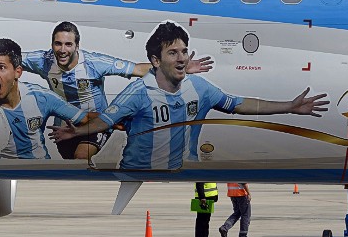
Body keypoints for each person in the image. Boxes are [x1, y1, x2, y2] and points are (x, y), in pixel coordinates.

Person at [49, 21, 329, 170]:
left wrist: (290, 107)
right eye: (173, 53)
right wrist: (76, 133)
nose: (182, 58)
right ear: (155, 61)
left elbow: (240, 104)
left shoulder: (200, 87)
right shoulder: (138, 92)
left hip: (181, 169)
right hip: (138, 168)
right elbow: (105, 121)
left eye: (184, 51)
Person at [0, 21, 214, 160]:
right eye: (58, 44)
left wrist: (179, 69)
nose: (62, 50)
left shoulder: (95, 63)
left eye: (68, 45)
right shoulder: (44, 60)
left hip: (94, 123)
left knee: (81, 159)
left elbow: (139, 69)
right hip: (64, 124)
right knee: (66, 164)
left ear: (77, 46)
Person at [0, 37, 96, 159]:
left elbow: (87, 118)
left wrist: (115, 118)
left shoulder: (40, 97)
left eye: (1, 67)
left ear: (18, 72)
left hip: (39, 169)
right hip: (2, 172)